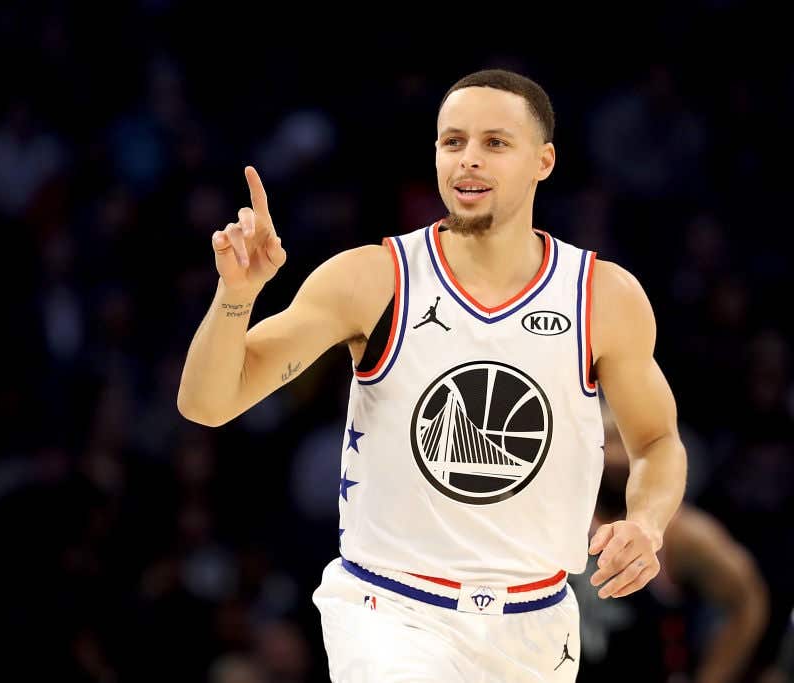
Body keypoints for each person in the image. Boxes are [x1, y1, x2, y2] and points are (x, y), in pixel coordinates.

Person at [177, 68, 688, 682]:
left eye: (495, 143)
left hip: (537, 622)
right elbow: (208, 404)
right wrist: (236, 295)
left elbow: (657, 443)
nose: (468, 160)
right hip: (387, 611)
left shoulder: (603, 296)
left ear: (543, 161)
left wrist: (648, 524)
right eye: (453, 142)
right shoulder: (373, 278)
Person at [573, 404, 768, 683]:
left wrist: (711, 677)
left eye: (626, 441)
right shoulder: (562, 517)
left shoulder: (681, 534)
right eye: (609, 440)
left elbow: (748, 600)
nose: (617, 454)